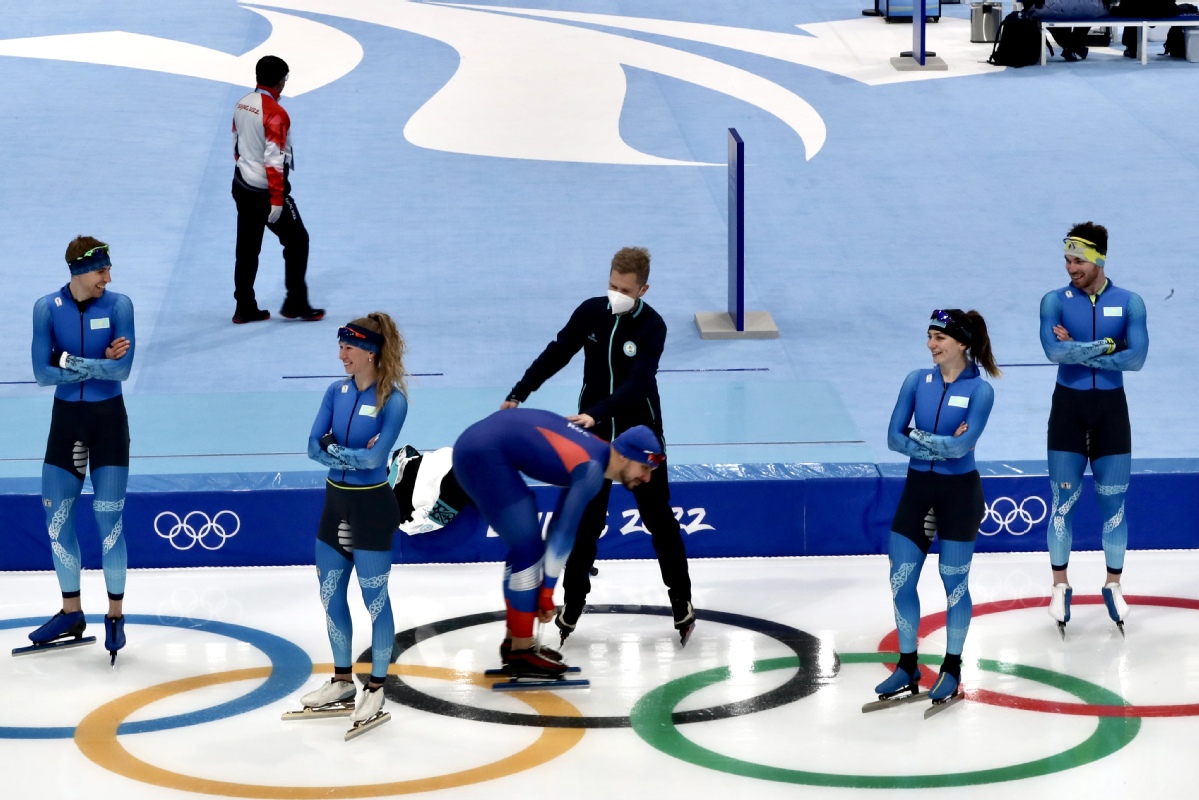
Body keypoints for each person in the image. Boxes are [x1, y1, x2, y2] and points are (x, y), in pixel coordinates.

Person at [501, 246, 694, 645]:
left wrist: (596, 413)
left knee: (659, 519)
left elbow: (638, 384)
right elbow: (557, 353)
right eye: (612, 286)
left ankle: (682, 599)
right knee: (586, 522)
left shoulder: (652, 327)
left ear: (643, 290)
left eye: (626, 290)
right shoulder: (591, 312)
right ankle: (573, 602)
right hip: (595, 437)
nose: (616, 295)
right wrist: (519, 392)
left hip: (640, 437)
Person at [452, 409, 664, 677]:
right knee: (528, 549)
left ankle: (516, 642)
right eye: (645, 468)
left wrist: (546, 590)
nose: (647, 478)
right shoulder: (592, 469)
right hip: (481, 452)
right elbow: (563, 535)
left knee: (525, 548)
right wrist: (546, 594)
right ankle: (521, 653)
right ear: (624, 456)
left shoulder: (596, 455)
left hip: (479, 446)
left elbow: (559, 528)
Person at [875, 309, 1000, 706]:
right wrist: (941, 443)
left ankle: (951, 667)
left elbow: (961, 449)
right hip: (918, 489)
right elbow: (893, 438)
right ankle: (907, 665)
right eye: (929, 336)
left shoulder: (981, 392)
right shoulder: (916, 381)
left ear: (962, 343)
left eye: (939, 338)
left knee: (954, 584)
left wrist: (919, 437)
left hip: (959, 494)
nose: (931, 344)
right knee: (900, 580)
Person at [295, 313, 408, 732]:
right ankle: (343, 681)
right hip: (335, 504)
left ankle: (376, 687)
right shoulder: (335, 391)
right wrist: (351, 455)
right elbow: (311, 447)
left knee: (374, 599)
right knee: (330, 595)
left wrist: (335, 449)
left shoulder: (393, 400)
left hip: (372, 507)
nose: (341, 355)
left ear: (370, 352)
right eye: (340, 347)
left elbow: (375, 459)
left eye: (348, 348)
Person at [27, 236, 135, 665]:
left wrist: (67, 360)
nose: (108, 277)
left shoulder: (120, 306)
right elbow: (40, 375)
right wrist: (97, 364)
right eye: (101, 271)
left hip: (109, 423)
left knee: (109, 524)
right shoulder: (46, 308)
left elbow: (122, 370)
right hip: (67, 423)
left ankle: (115, 616)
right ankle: (71, 612)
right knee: (56, 522)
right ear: (79, 271)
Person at [1039, 222, 1148, 635]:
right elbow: (1053, 352)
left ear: (1099, 258)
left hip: (1111, 414)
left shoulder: (1130, 303)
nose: (1072, 268)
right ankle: (1060, 586)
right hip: (1067, 411)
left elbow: (1138, 359)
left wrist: (1078, 350)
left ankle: (1113, 585)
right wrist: (1108, 345)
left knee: (1114, 506)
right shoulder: (1055, 301)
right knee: (1062, 503)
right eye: (1067, 260)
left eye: (1079, 261)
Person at [230, 55, 324, 324]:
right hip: (266, 192)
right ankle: (295, 302)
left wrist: (245, 168)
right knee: (298, 241)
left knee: (247, 250)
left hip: (242, 184)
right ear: (281, 81)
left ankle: (244, 307)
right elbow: (274, 160)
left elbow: (236, 141)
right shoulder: (276, 114)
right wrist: (277, 199)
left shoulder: (242, 103)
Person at [1030, 0, 1109, 61]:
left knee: (1054, 17)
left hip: (1054, 7)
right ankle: (1074, 47)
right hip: (1088, 6)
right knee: (1086, 14)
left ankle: (1073, 47)